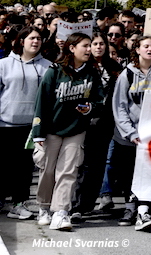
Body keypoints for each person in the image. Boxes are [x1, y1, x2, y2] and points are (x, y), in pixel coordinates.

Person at [31, 33, 104, 232]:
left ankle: (61, 212)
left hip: (77, 129)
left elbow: (100, 100)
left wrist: (90, 108)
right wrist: (38, 132)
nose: (89, 50)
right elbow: (42, 102)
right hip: (52, 129)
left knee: (69, 170)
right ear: (72, 48)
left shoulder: (92, 72)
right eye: (85, 46)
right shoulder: (54, 71)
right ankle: (44, 207)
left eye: (90, 46)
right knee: (48, 169)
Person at [111, 36, 151, 231]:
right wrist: (130, 132)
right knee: (128, 174)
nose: (149, 49)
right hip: (129, 136)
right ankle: (130, 208)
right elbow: (120, 106)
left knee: (148, 174)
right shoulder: (126, 75)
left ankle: (143, 209)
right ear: (137, 50)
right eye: (145, 46)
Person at [0, 27, 53, 219]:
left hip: (31, 127)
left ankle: (18, 203)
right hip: (4, 124)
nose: (35, 42)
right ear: (22, 41)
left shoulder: (48, 66)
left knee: (23, 168)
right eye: (31, 38)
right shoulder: (4, 64)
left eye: (39, 39)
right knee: (3, 165)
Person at [71, 32, 122, 220]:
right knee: (80, 165)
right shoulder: (83, 67)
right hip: (83, 121)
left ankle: (87, 204)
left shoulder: (115, 67)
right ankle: (75, 204)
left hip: (106, 122)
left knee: (97, 166)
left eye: (102, 43)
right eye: (94, 44)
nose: (99, 47)